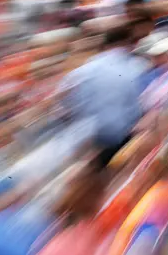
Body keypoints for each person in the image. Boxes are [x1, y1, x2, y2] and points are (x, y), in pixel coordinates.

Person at [60, 27, 148, 167]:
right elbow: (144, 103)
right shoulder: (138, 66)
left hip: (92, 139)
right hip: (125, 137)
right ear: (127, 43)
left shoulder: (81, 71)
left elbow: (64, 106)